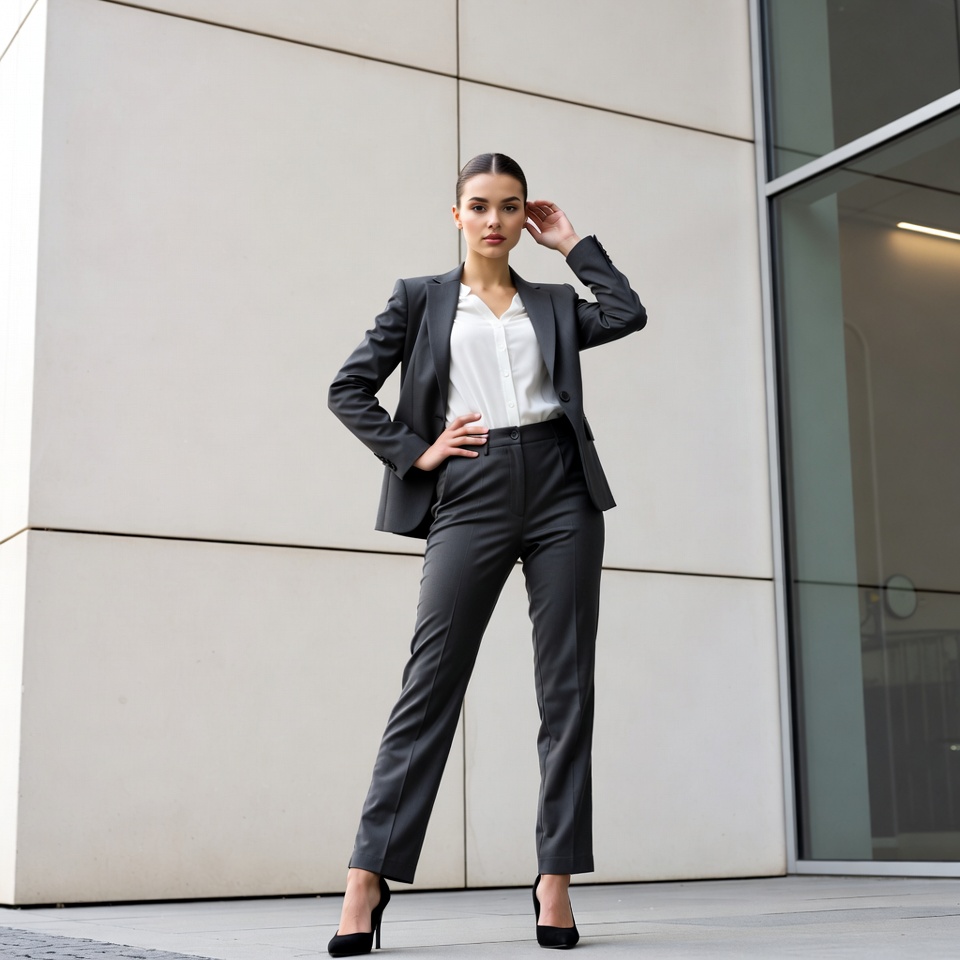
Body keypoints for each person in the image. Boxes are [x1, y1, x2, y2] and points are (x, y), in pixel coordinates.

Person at [326, 153, 647, 956]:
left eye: (510, 207)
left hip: (563, 491)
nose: (496, 220)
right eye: (480, 206)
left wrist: (572, 244)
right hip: (469, 489)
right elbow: (348, 388)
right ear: (457, 214)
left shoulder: (551, 302)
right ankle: (368, 876)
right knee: (429, 682)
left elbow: (627, 311)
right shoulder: (421, 300)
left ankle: (556, 879)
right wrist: (418, 452)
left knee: (566, 688)